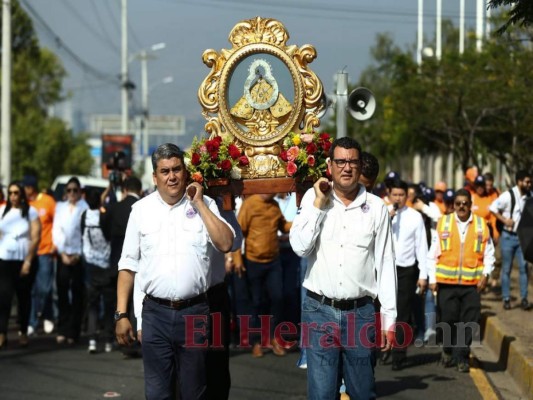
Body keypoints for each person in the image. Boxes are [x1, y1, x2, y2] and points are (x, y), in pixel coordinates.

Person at [115, 143, 235, 400]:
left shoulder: (206, 205)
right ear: (155, 177)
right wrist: (122, 314)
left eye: (177, 169)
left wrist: (200, 204)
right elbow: (128, 264)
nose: (172, 176)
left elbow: (226, 243)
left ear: (186, 171)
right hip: (155, 315)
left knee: (194, 391)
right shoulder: (140, 211)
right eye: (165, 171)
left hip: (195, 314)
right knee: (158, 393)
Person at [290, 137, 396, 400]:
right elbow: (300, 247)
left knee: (362, 392)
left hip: (360, 313)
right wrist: (318, 204)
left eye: (352, 162)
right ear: (330, 165)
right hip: (319, 312)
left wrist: (389, 318)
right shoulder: (313, 202)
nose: (346, 167)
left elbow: (385, 263)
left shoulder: (376, 208)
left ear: (360, 167)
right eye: (341, 161)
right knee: (322, 393)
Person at [427, 189, 494, 372]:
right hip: (446, 283)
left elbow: (489, 254)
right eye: (458, 203)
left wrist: (486, 275)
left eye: (465, 203)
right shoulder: (444, 223)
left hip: (472, 285)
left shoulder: (481, 225)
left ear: (471, 205)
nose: (461, 207)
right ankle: (447, 350)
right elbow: (432, 254)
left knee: (469, 321)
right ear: (453, 205)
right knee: (448, 318)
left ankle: (461, 357)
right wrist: (432, 279)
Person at [231, 193, 292, 358]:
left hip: (273, 261)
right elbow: (238, 232)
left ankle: (273, 338)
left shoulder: (274, 205)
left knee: (278, 298)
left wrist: (302, 221)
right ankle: (256, 342)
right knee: (256, 302)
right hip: (253, 261)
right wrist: (236, 258)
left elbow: (283, 226)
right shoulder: (249, 204)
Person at [388, 179, 428, 370]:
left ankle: (399, 354)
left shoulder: (415, 217)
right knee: (385, 312)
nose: (398, 198)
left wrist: (423, 275)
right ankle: (385, 348)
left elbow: (421, 246)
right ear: (389, 195)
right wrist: (388, 218)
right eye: (394, 195)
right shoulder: (384, 212)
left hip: (406, 269)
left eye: (401, 195)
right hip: (386, 268)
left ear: (407, 196)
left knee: (402, 313)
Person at [100, 175, 143, 356]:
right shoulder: (142, 209)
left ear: (124, 189)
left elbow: (104, 230)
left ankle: (113, 336)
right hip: (137, 265)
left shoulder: (115, 208)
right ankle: (131, 341)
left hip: (115, 262)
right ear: (139, 190)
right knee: (134, 304)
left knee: (113, 302)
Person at [0, 181, 41, 348]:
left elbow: (36, 236)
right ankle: (2, 332)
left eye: (16, 193)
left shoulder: (31, 212)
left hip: (24, 260)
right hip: (4, 260)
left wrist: (28, 261)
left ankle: (23, 331)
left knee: (23, 298)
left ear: (22, 194)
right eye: (10, 193)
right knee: (3, 298)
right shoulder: (2, 211)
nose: (13, 196)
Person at [52, 176, 89, 344]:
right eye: (69, 190)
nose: (72, 193)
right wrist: (62, 253)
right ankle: (62, 328)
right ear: (65, 193)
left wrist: (78, 255)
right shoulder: (60, 207)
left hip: (78, 257)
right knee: (62, 293)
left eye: (75, 190)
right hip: (63, 256)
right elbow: (56, 231)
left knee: (77, 294)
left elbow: (86, 235)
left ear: (80, 192)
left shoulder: (85, 207)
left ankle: (74, 331)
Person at [489, 169, 532, 310]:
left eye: (530, 181)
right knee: (506, 268)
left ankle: (524, 298)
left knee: (523, 268)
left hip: (523, 238)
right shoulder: (508, 196)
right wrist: (504, 220)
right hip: (508, 236)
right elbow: (492, 208)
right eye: (527, 181)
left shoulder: (530, 196)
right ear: (519, 182)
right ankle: (506, 298)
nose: (529, 184)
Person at [23, 175, 57, 336]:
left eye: (25, 187)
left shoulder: (47, 201)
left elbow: (57, 222)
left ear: (32, 188)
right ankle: (32, 321)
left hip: (45, 251)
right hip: (28, 252)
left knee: (44, 288)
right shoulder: (24, 204)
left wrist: (54, 246)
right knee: (31, 290)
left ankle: (48, 316)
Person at [81, 189, 113, 354]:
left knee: (92, 304)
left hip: (91, 264)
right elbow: (110, 237)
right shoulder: (105, 215)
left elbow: (82, 236)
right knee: (108, 305)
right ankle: (108, 340)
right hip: (106, 265)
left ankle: (92, 339)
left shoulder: (84, 216)